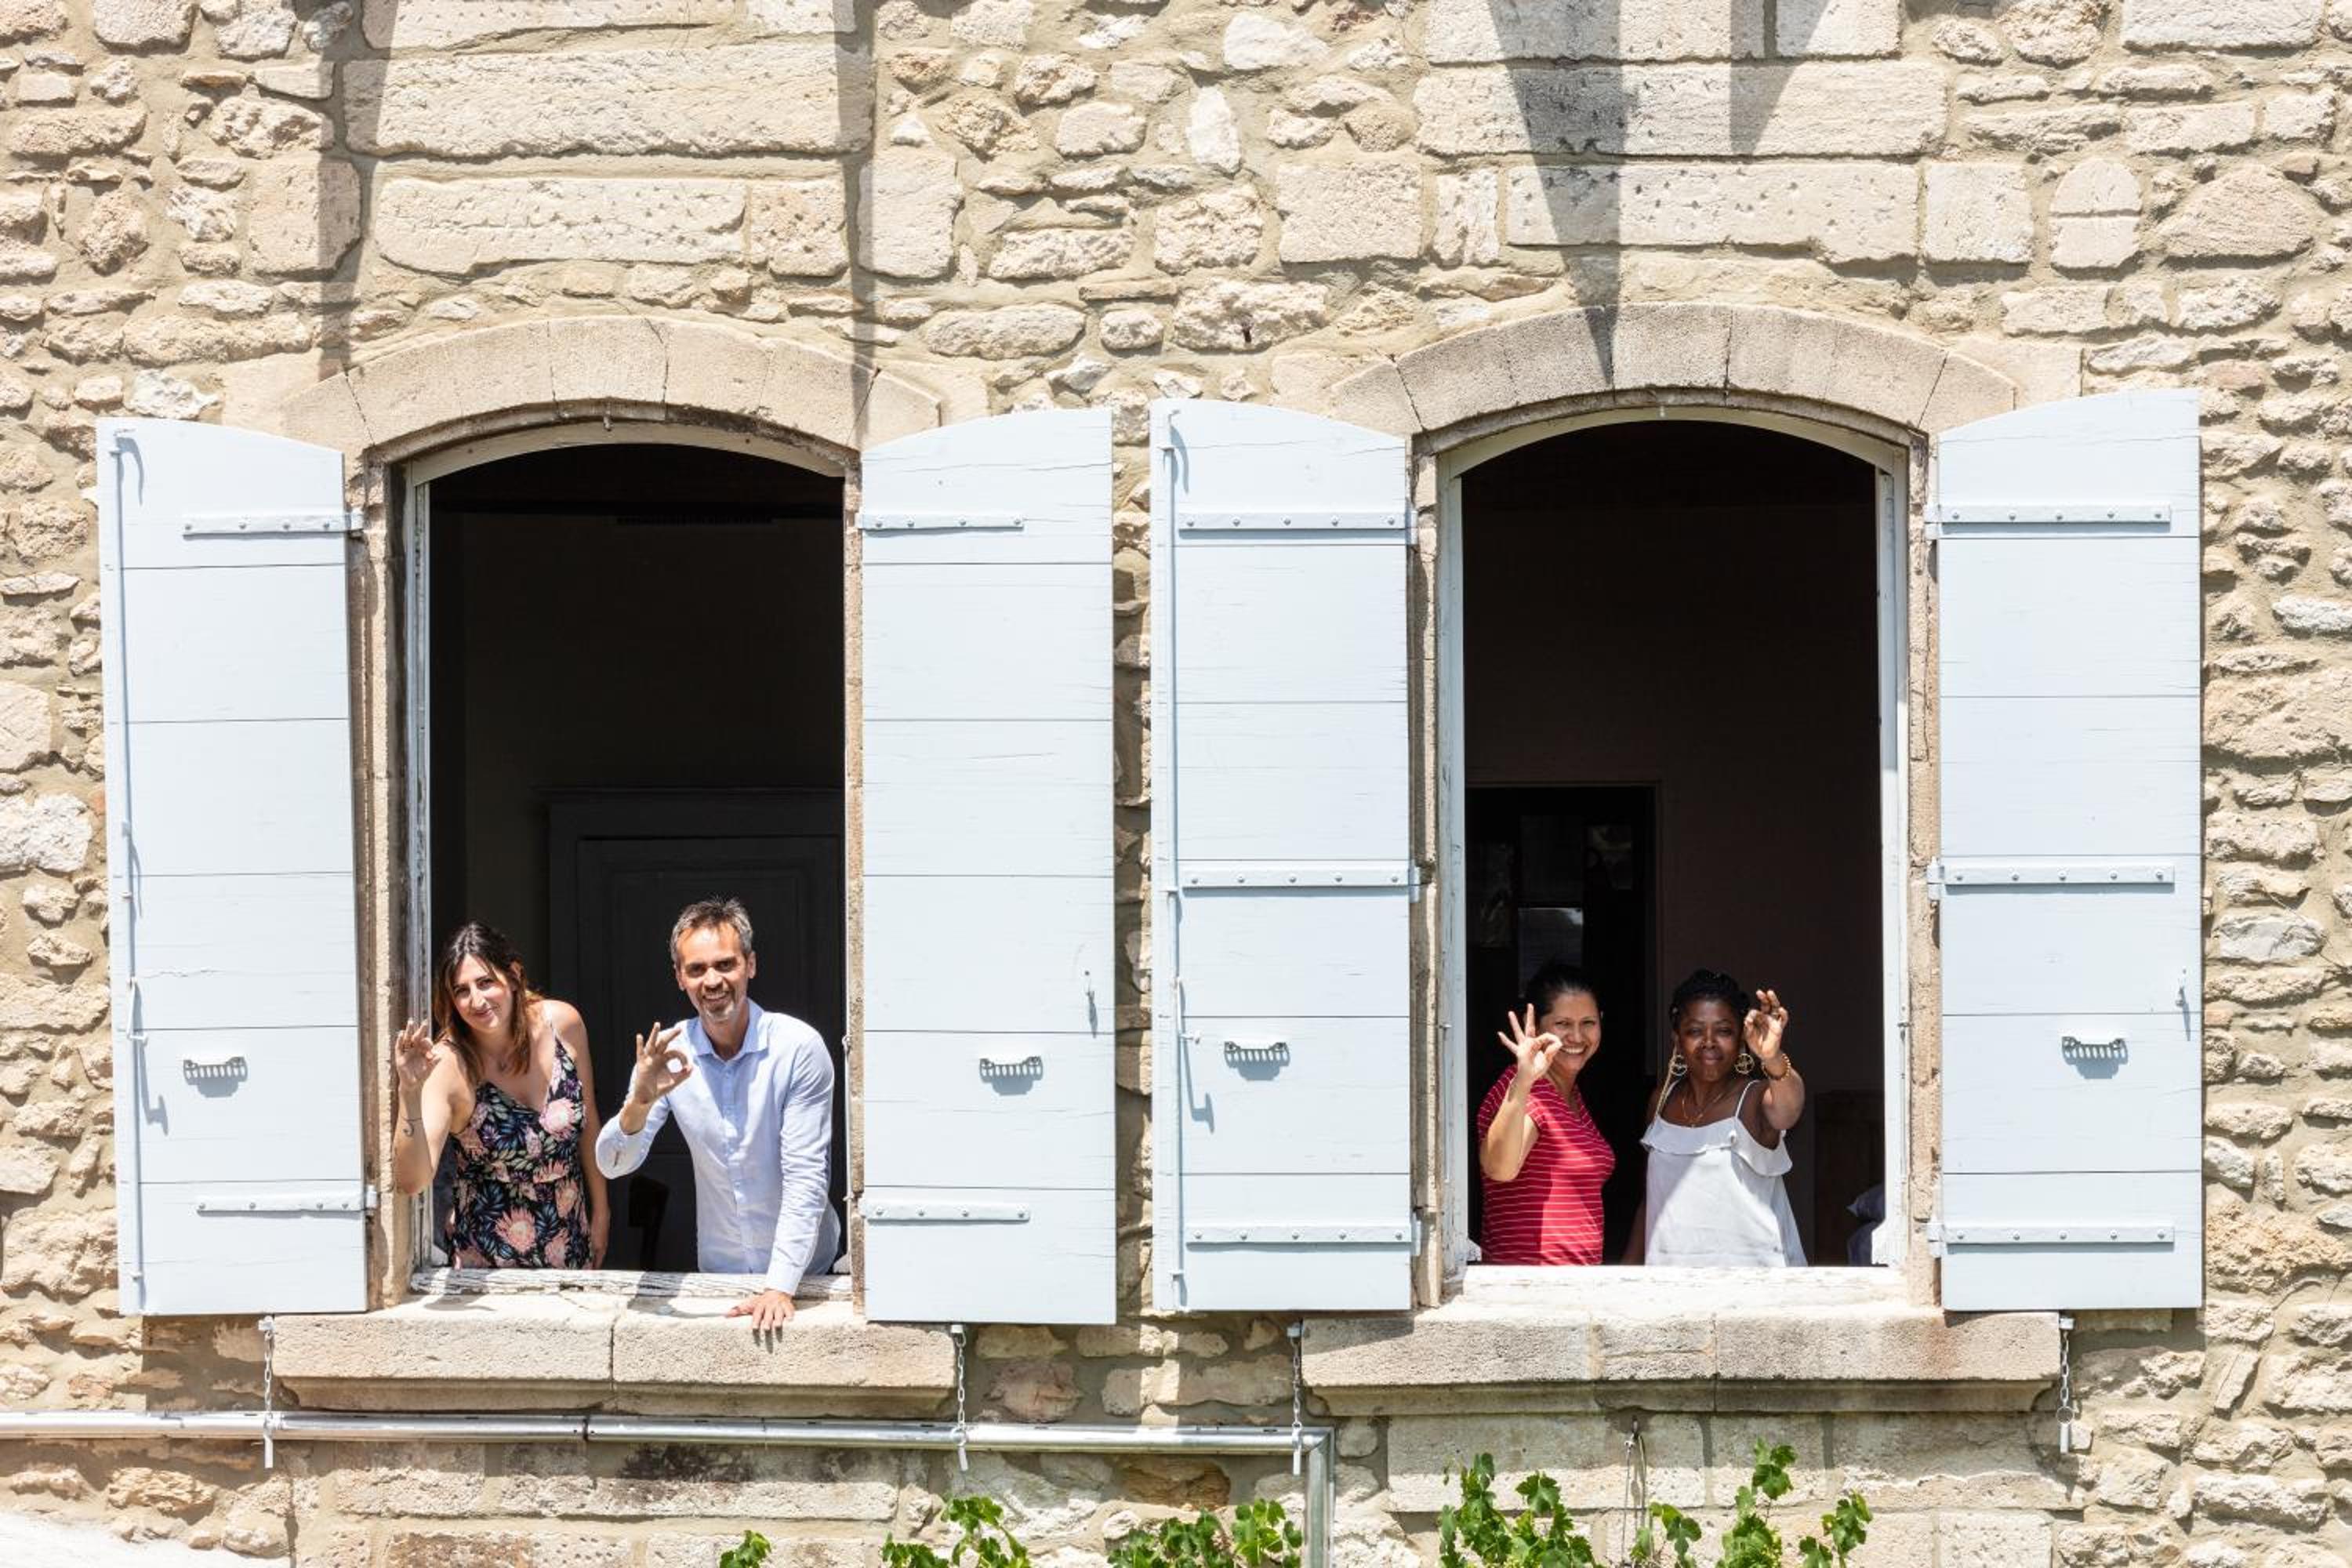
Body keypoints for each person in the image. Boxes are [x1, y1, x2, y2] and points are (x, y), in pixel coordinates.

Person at [594, 898, 840, 1330]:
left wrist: (780, 1286)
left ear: (750, 965)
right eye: (697, 969)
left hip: (806, 1275)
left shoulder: (797, 1047)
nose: (712, 981)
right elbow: (614, 1165)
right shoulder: (668, 1054)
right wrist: (640, 1101)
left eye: (725, 965)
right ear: (679, 978)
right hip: (720, 1275)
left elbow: (806, 1176)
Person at [391, 923, 609, 1269]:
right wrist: (409, 1092)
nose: (476, 1000)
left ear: (514, 976)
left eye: (486, 982)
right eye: (461, 990)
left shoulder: (563, 1024)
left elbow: (590, 1119)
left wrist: (602, 1212)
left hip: (570, 1246)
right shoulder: (449, 1064)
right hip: (488, 1267)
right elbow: (411, 1181)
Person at [1630, 968, 1808, 1267]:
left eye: (1724, 1031)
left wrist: (1773, 1058)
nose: (1709, 1041)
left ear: (1741, 1040)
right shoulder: (1662, 1100)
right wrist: (1628, 1270)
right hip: (1670, 1279)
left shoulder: (1754, 1098)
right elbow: (1651, 1200)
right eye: (1695, 1031)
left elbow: (1789, 1111)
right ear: (1677, 1039)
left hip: (1754, 1282)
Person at [1475, 963, 1614, 1265]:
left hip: (1568, 1284)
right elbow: (1499, 1169)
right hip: (1530, 1283)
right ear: (1537, 1028)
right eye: (1563, 1024)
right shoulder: (1526, 1089)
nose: (1577, 1036)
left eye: (1588, 1023)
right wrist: (1524, 1081)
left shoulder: (1570, 1094)